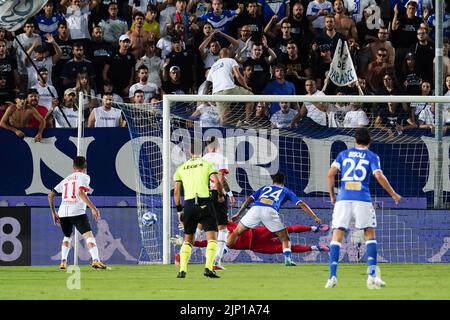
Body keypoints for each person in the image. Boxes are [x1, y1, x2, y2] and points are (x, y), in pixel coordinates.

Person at [325, 128, 401, 289]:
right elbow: (379, 176)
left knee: (337, 236)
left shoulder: (344, 154)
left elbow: (330, 174)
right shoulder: (372, 156)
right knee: (369, 235)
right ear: (370, 141)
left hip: (343, 199)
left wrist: (332, 196)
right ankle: (372, 276)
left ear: (355, 141)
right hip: (362, 199)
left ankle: (332, 277)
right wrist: (393, 194)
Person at [227, 171, 322, 266]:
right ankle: (288, 259)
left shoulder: (264, 188)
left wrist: (238, 214)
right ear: (283, 182)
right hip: (270, 210)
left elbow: (249, 199)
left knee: (236, 232)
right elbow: (301, 203)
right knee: (285, 238)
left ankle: (221, 253)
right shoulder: (286, 190)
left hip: (255, 209)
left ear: (273, 181)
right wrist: (315, 217)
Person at [173, 138, 224, 278]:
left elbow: (176, 193)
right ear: (202, 151)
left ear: (190, 152)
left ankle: (182, 270)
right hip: (205, 203)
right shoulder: (207, 164)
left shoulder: (181, 168)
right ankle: (208, 268)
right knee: (212, 237)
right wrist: (220, 195)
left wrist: (179, 211)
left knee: (188, 238)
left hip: (189, 205)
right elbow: (217, 182)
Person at [47, 156, 108, 270]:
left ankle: (63, 262)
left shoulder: (66, 179)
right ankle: (95, 260)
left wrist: (53, 212)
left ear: (73, 167)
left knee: (67, 236)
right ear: (85, 167)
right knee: (88, 236)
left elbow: (50, 194)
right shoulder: (85, 177)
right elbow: (80, 193)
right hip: (77, 212)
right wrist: (94, 208)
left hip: (63, 212)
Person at [202, 136, 235, 270]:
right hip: (217, 193)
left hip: (203, 194)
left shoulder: (202, 159)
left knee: (203, 226)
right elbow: (221, 179)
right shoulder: (221, 158)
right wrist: (228, 194)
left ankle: (182, 254)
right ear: (216, 146)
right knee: (222, 228)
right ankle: (216, 260)